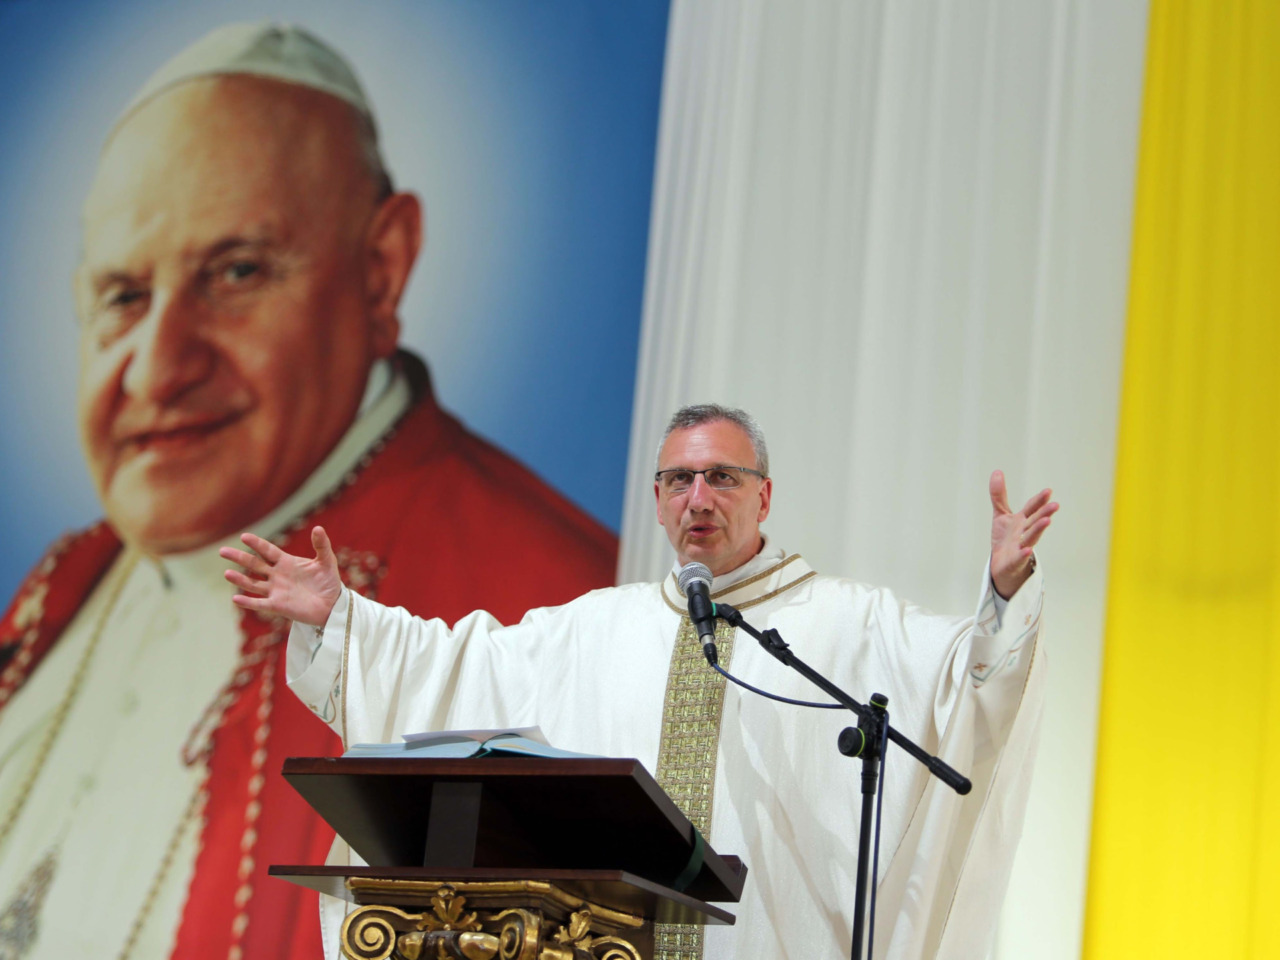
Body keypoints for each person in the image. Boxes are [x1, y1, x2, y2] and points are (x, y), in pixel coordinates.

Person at [0, 23, 617, 960]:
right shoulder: (67, 583)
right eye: (123, 296)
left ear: (381, 269)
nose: (157, 371)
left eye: (236, 273)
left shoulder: (551, 606)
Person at [223, 403, 1057, 960]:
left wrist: (1005, 591)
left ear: (765, 497)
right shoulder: (594, 627)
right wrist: (345, 618)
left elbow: (966, 681)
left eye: (722, 477)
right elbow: (457, 667)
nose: (699, 497)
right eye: (678, 481)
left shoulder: (851, 623)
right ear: (657, 502)